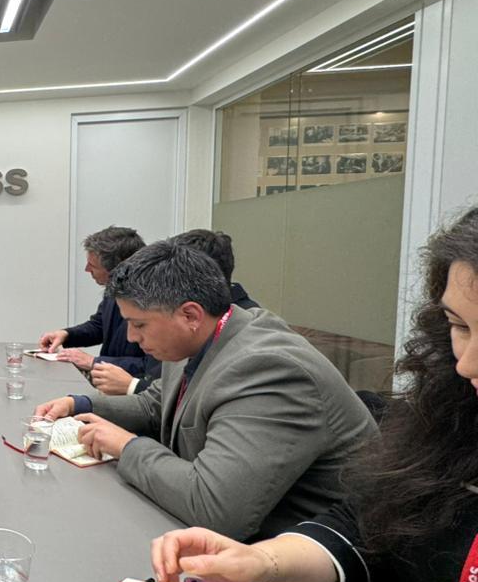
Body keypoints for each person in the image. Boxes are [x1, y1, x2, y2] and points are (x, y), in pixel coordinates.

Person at [149, 207, 478, 582]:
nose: (467, 364)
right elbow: (371, 525)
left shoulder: (266, 362)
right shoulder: (455, 420)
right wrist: (263, 561)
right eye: (459, 327)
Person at [35, 240, 375, 540]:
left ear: (190, 315)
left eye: (139, 325)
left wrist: (127, 447)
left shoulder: (269, 370)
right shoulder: (199, 337)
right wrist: (80, 404)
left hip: (295, 566)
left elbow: (215, 509)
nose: (132, 337)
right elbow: (156, 405)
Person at [91, 228, 259, 396]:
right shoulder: (187, 331)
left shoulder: (252, 354)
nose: (132, 336)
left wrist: (133, 386)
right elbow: (164, 398)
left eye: (139, 324)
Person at [39, 226, 147, 380]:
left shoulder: (154, 302)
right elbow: (100, 326)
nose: (86, 269)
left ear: (117, 269)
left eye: (93, 266)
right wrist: (67, 335)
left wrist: (93, 362)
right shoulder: (114, 288)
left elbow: (152, 368)